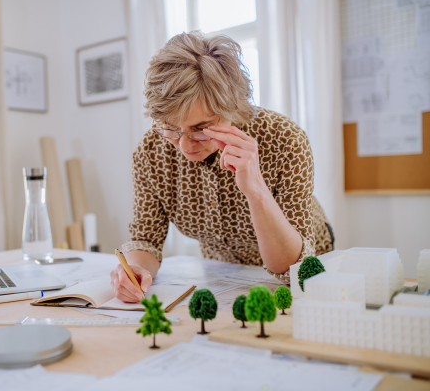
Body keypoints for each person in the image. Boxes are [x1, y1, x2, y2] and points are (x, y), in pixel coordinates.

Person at [110, 31, 333, 303]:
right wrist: (137, 269)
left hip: (306, 271)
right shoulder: (151, 151)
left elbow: (290, 267)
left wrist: (256, 190)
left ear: (233, 108)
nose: (184, 145)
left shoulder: (284, 140)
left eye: (200, 128)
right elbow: (146, 239)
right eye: (170, 127)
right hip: (226, 277)